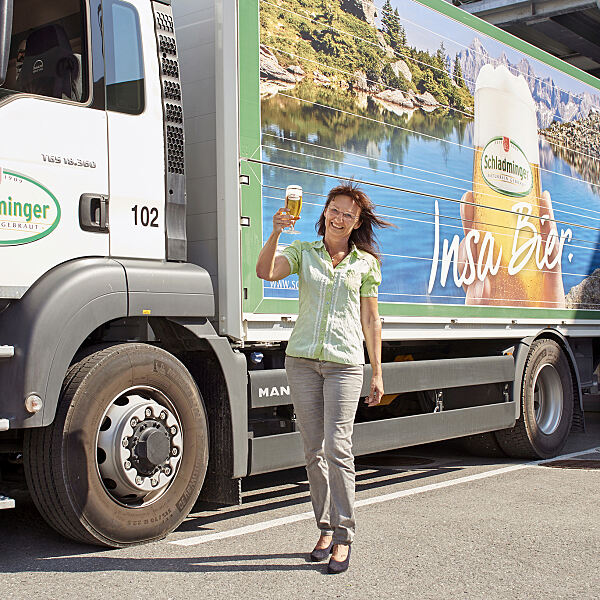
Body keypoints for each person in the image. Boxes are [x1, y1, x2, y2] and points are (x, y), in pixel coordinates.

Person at [256, 182, 390, 574]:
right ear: (325, 211)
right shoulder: (303, 251)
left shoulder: (364, 263)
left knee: (337, 448)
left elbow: (370, 320)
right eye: (335, 209)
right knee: (312, 451)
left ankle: (345, 535)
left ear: (356, 222)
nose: (340, 217)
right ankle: (326, 528)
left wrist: (377, 372)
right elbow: (265, 272)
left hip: (345, 364)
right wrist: (277, 231)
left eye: (349, 213)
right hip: (301, 362)